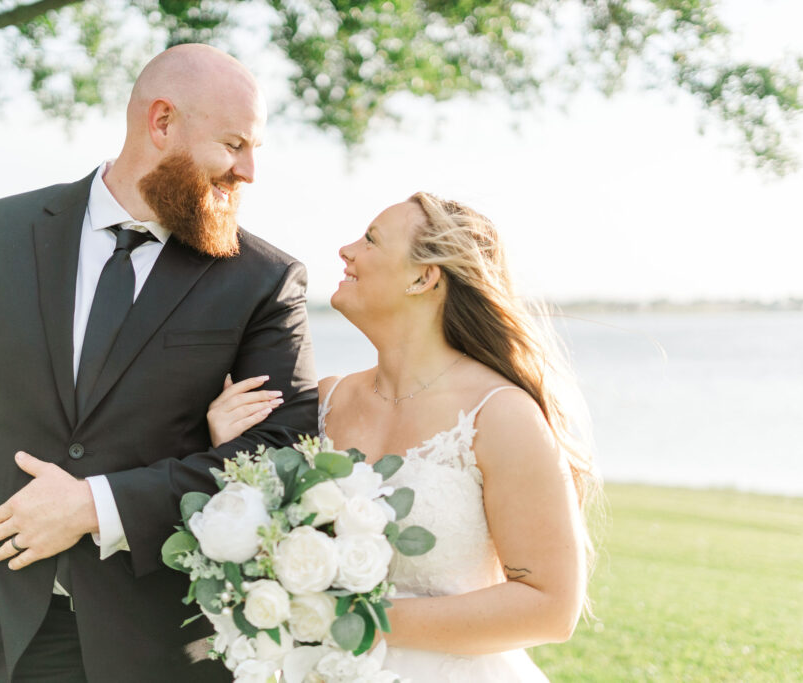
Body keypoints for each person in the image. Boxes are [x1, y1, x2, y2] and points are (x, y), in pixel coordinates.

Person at [0, 44, 318, 683]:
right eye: (234, 145)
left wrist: (100, 504)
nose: (249, 171)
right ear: (162, 122)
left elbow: (285, 452)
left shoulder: (264, 279)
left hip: (165, 642)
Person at [207, 192, 600, 681]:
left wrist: (353, 619)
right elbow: (267, 540)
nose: (346, 250)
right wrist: (230, 449)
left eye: (370, 239)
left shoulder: (500, 415)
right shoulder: (326, 401)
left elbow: (550, 607)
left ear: (423, 276)